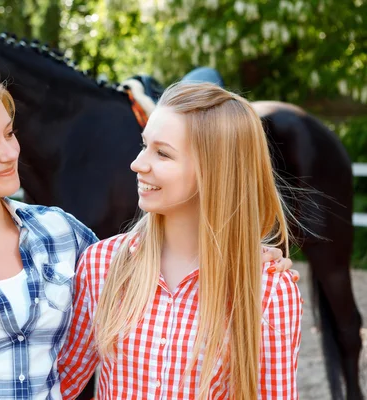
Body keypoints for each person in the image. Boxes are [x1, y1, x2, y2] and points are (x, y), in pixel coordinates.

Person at [0, 65, 295, 399]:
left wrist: (246, 253)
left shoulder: (62, 235)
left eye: (9, 133)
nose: (9, 153)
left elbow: (60, 367)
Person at [59, 82, 302, 399]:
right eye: (144, 145)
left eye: (162, 153)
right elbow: (61, 384)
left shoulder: (269, 290)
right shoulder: (101, 264)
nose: (138, 164)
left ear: (214, 171)